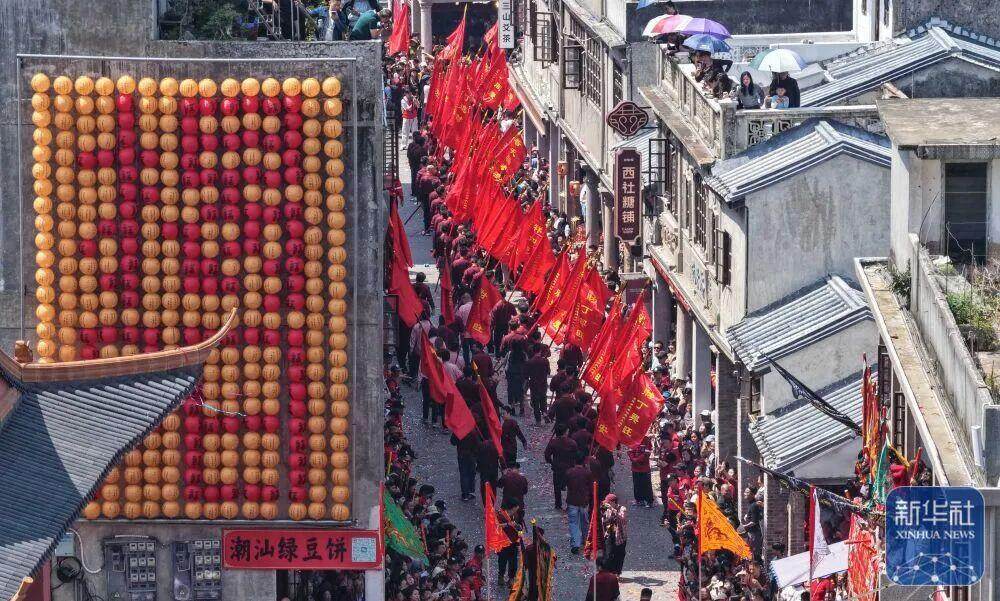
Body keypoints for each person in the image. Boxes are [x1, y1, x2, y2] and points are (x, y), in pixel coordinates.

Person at [544, 424, 578, 510]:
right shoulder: (572, 443)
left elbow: (547, 455)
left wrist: (552, 462)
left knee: (557, 487)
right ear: (565, 432)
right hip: (570, 467)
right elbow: (576, 455)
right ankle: (569, 504)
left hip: (558, 468)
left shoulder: (553, 442)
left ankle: (558, 504)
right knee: (570, 486)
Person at [564, 455, 594, 554]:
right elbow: (591, 488)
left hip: (572, 501)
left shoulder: (569, 472)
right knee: (585, 522)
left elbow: (567, 484)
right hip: (584, 501)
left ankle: (575, 543)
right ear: (583, 462)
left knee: (573, 523)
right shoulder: (587, 473)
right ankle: (586, 540)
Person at [600, 494, 628, 575]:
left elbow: (623, 520)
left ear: (613, 502)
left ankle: (617, 572)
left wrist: (612, 510)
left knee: (619, 555)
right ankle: (608, 572)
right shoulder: (607, 509)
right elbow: (604, 520)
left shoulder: (622, 509)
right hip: (609, 533)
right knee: (608, 554)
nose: (606, 504)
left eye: (608, 503)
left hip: (620, 535)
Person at [628, 437, 654, 508]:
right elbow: (630, 451)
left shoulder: (646, 440)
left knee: (646, 485)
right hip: (635, 468)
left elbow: (647, 453)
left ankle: (649, 501)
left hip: (644, 468)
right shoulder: (632, 439)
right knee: (637, 484)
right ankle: (639, 500)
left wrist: (636, 460)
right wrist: (633, 459)